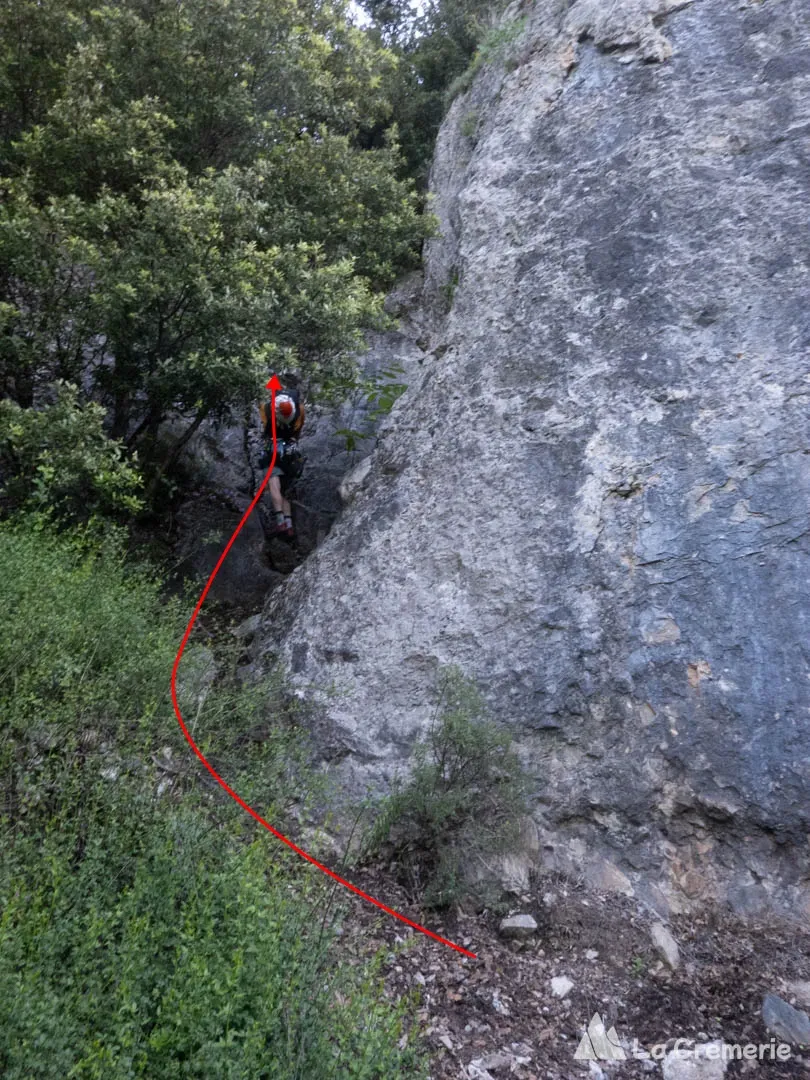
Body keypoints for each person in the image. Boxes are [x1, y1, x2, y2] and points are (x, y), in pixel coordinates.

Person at [258, 387, 305, 538]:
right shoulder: (299, 410)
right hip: (290, 453)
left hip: (272, 452)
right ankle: (289, 526)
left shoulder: (266, 408)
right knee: (284, 491)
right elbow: (298, 429)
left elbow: (264, 427)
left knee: (274, 486)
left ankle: (280, 523)